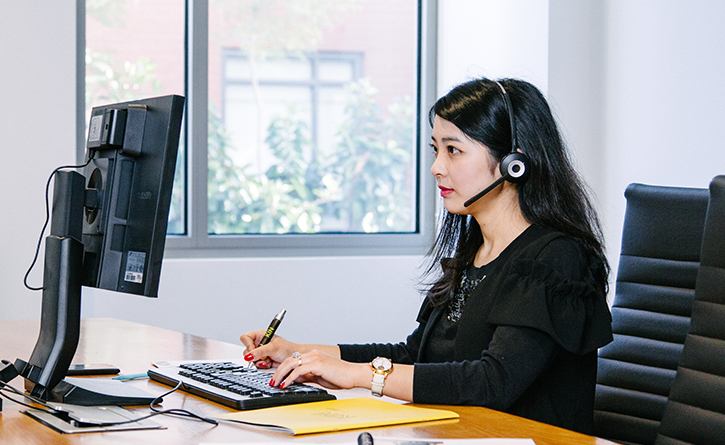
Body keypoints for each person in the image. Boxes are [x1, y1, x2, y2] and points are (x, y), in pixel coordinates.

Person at [240, 78, 613, 434]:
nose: (437, 167)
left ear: (513, 163)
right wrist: (303, 353)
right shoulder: (474, 254)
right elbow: (415, 355)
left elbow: (492, 381)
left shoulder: (554, 260)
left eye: (454, 150)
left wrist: (357, 375)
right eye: (437, 150)